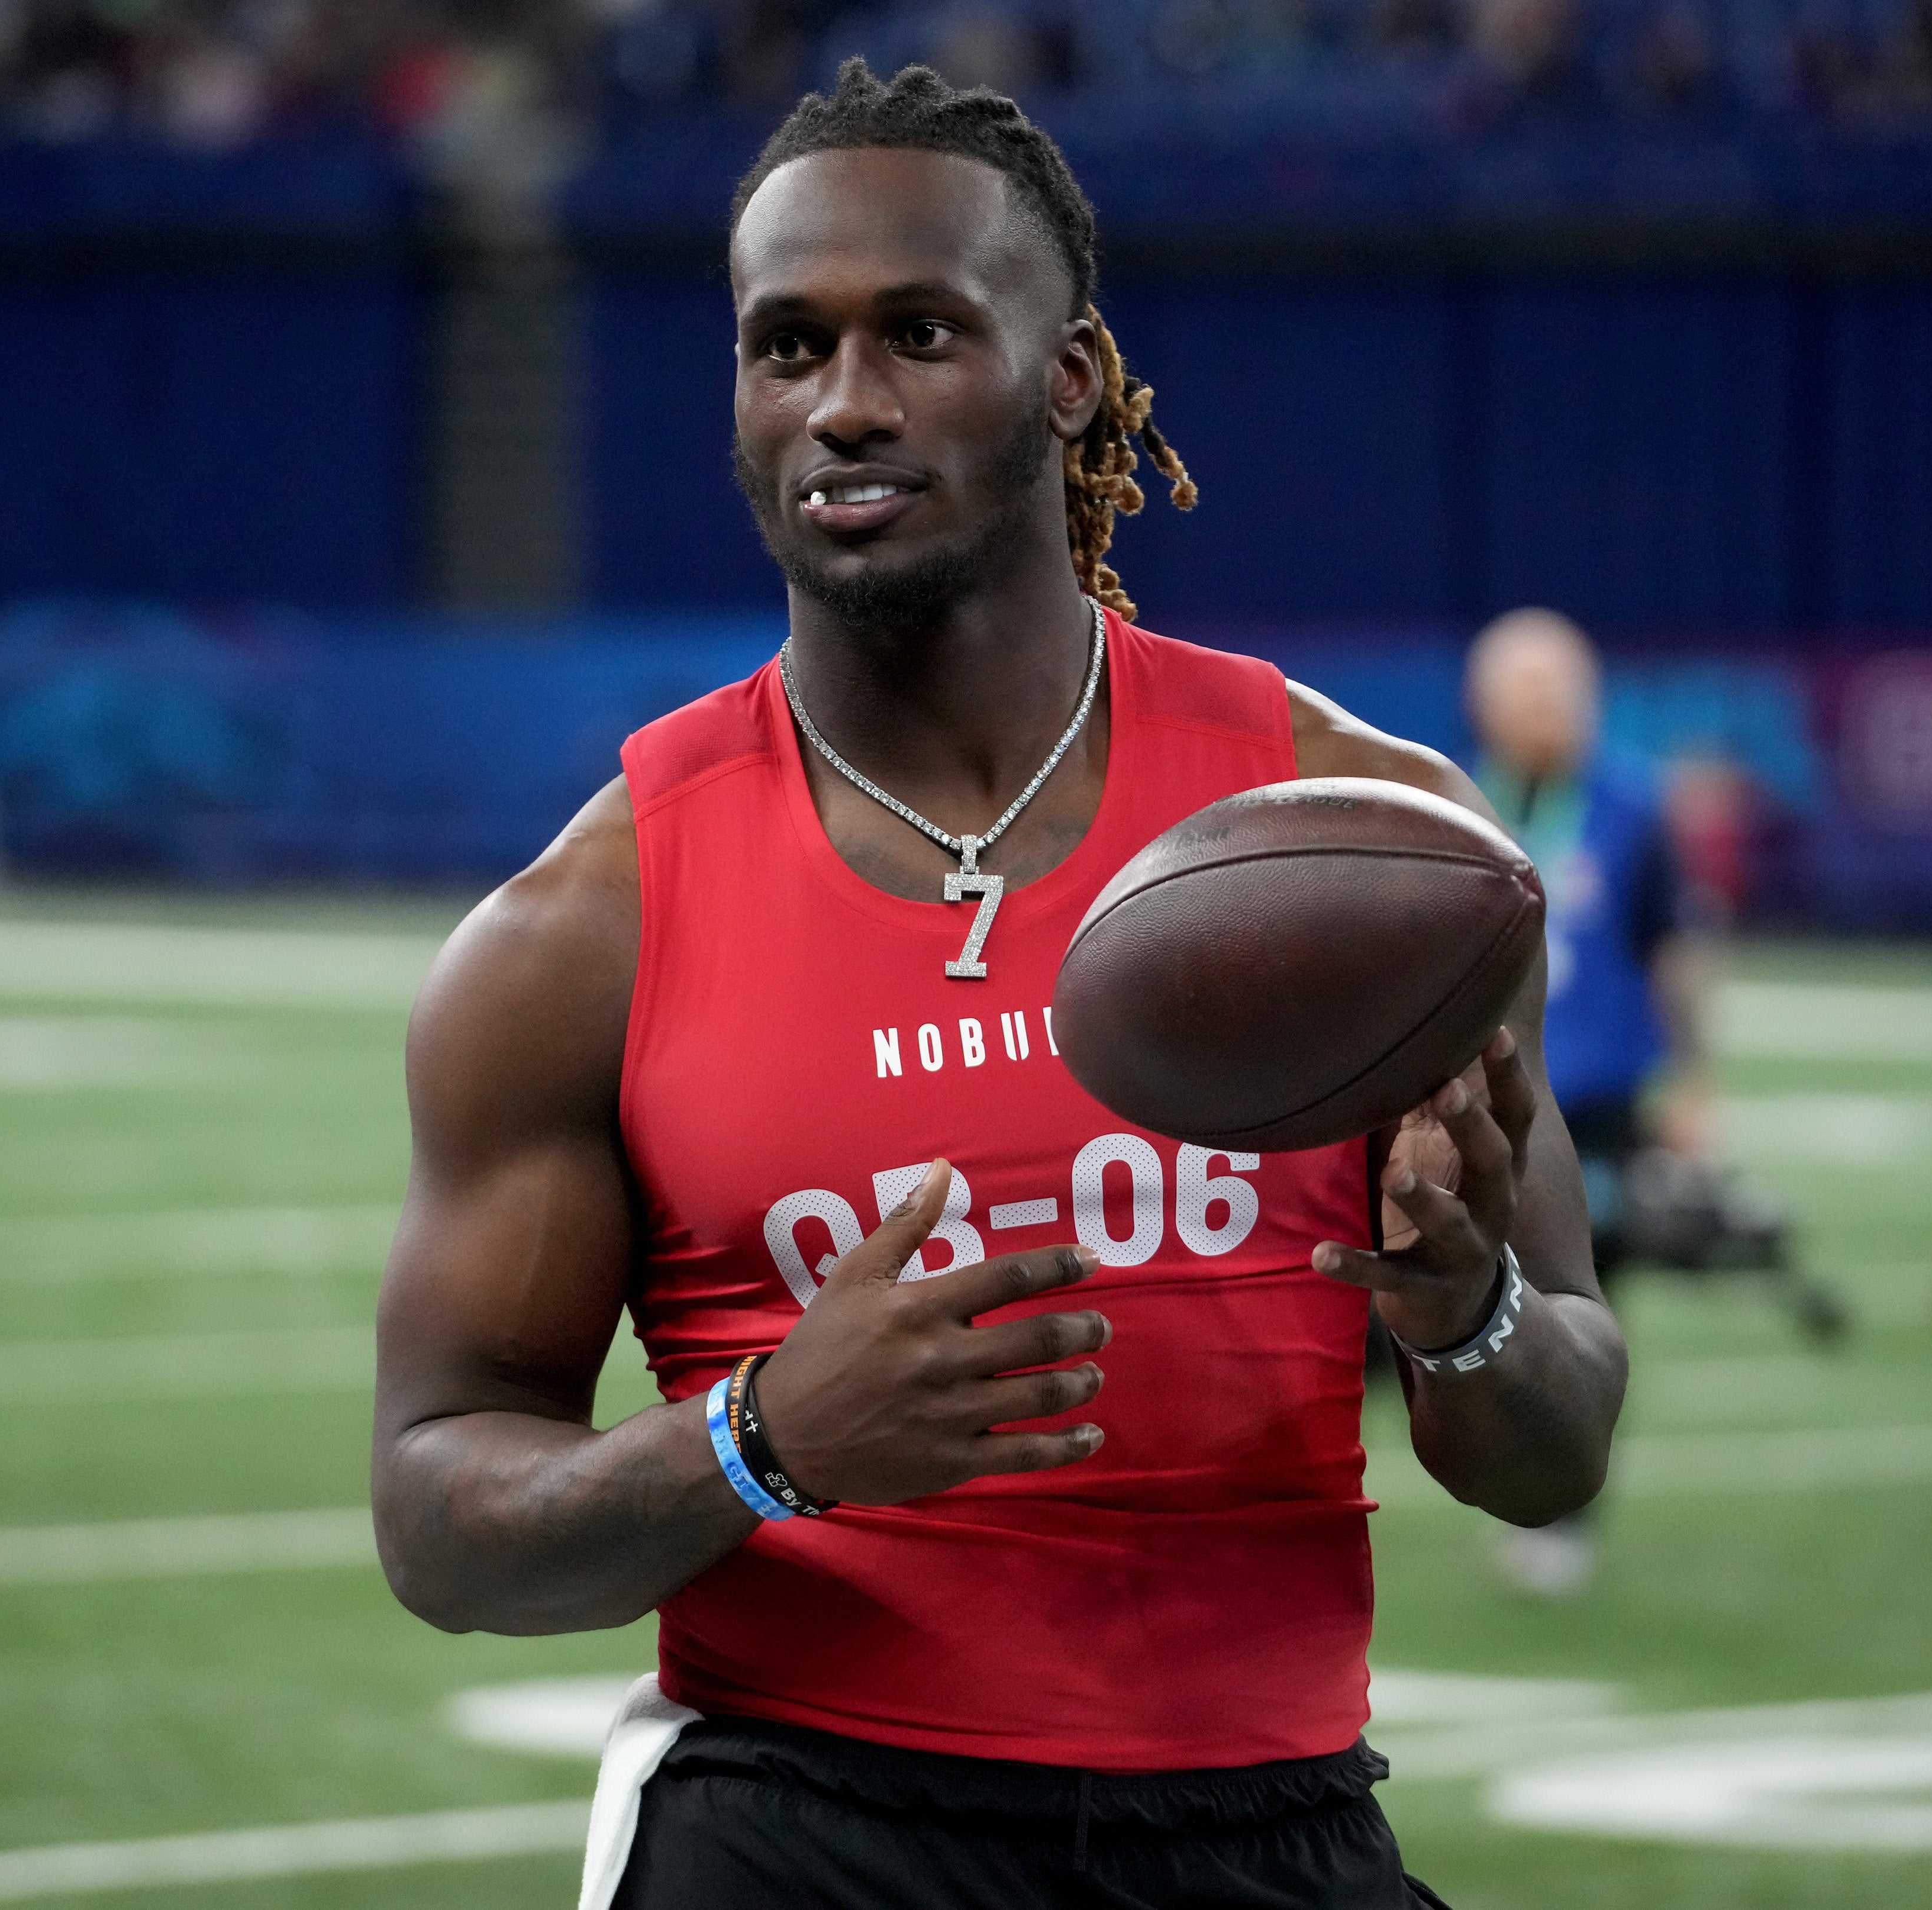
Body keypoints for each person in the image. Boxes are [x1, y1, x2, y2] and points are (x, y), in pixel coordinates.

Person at [372, 62, 1624, 1910]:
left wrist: (1466, 1314)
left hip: (1272, 1832)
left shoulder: (1366, 852)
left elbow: (1562, 1437)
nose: (844, 403)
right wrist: (758, 1443)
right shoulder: (587, 926)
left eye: (921, 333)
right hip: (793, 1837)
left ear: (1073, 375)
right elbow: (439, 1517)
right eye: (787, 347)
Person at [1462, 608, 1699, 1596]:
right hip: (1481, 1090)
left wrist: (1695, 1081)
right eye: (1528, 692)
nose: (1550, 710)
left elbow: (1672, 949)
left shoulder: (1634, 808)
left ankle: (1566, 1508)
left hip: (1596, 1100)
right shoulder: (1454, 797)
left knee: (1582, 1304)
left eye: (1562, 689)